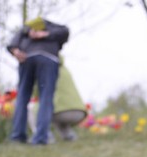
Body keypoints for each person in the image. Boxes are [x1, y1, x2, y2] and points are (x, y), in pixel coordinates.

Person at [7, 17, 69, 145]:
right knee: (45, 96)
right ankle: (40, 138)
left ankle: (18, 136)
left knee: (23, 95)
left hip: (28, 56)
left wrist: (15, 49)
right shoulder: (50, 27)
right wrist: (15, 51)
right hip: (46, 58)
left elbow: (13, 42)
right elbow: (65, 31)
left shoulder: (44, 27)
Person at [28, 61, 87, 142]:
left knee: (32, 107)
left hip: (62, 111)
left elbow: (36, 93)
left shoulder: (45, 70)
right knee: (56, 108)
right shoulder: (64, 69)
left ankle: (43, 135)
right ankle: (69, 135)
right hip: (80, 112)